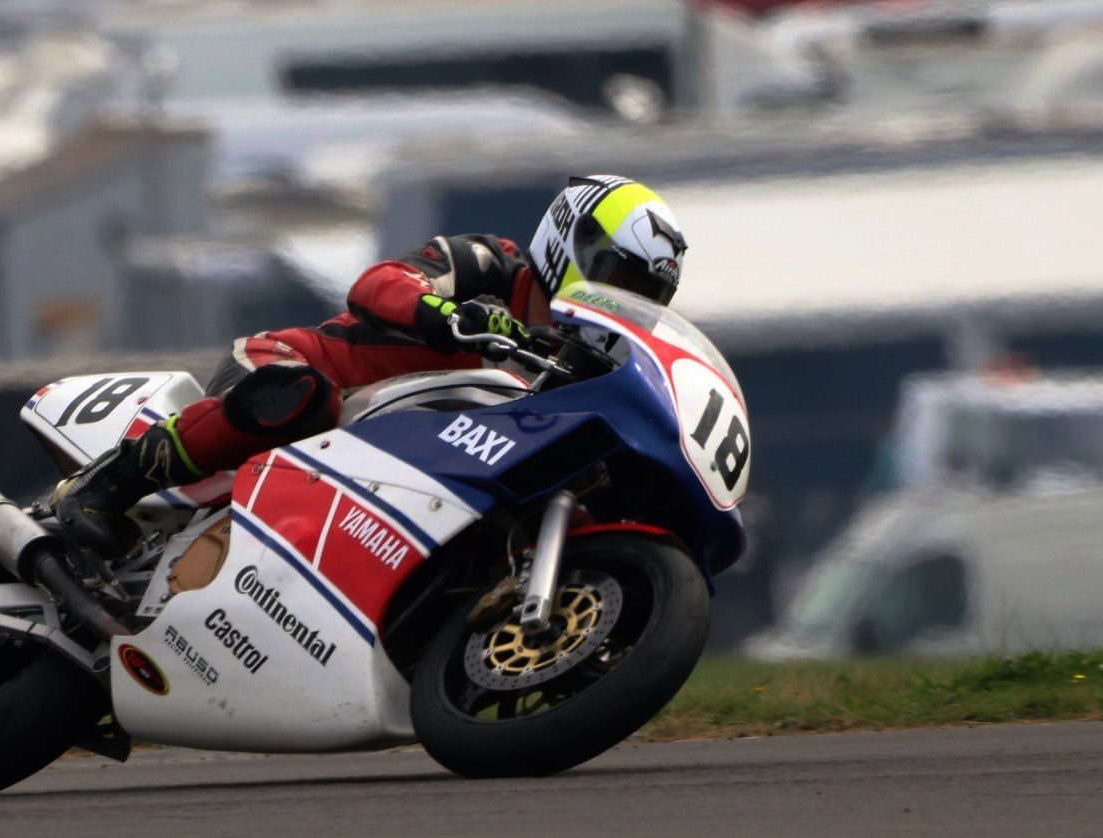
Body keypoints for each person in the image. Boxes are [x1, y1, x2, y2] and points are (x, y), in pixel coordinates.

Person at [54, 174, 689, 554]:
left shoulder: (580, 366)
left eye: (642, 294)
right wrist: (445, 314)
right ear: (570, 241)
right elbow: (379, 282)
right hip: (295, 368)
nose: (622, 299)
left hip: (381, 460)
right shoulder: (490, 263)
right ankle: (107, 485)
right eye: (617, 276)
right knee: (305, 396)